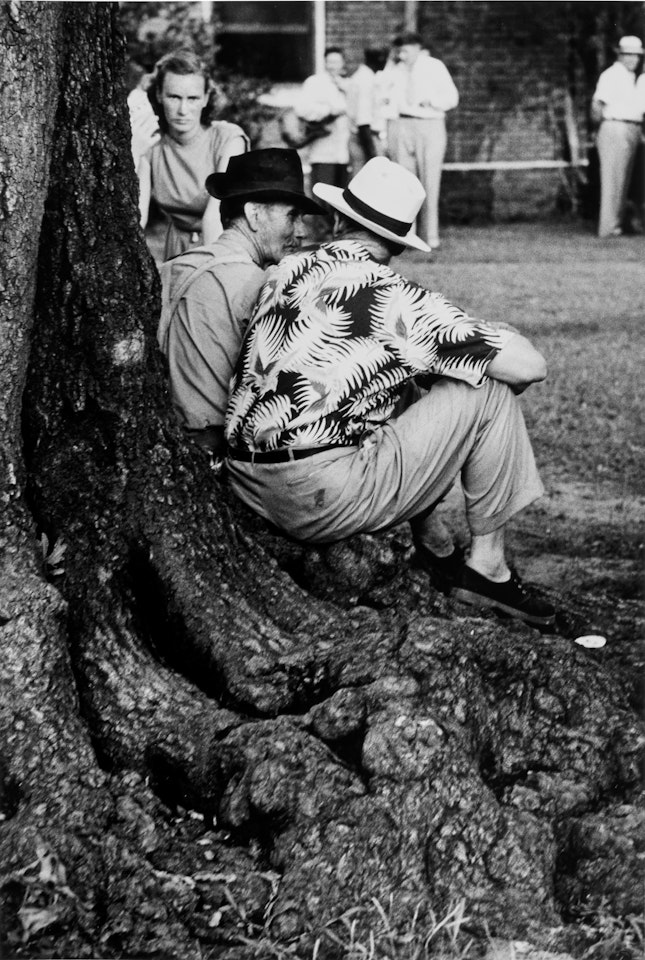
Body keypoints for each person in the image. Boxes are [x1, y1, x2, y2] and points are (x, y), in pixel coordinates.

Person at [225, 158, 555, 628]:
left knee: (398, 380)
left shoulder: (285, 270)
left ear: (338, 219)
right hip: (316, 497)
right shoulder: (396, 296)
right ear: (398, 244)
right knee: (487, 390)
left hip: (245, 482)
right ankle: (489, 569)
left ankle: (436, 543)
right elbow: (530, 366)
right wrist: (485, 338)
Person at [157, 149, 323, 457]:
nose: (302, 232)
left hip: (157, 442)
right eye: (292, 216)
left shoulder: (169, 268)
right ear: (254, 214)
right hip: (218, 452)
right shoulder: (263, 284)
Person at [136, 49, 249, 261]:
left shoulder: (228, 139)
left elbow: (215, 215)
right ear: (159, 94)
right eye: (174, 97)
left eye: (193, 98)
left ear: (206, 98)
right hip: (176, 249)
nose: (183, 109)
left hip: (223, 248)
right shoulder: (152, 143)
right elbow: (137, 218)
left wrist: (210, 271)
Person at [382, 32, 458, 250]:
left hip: (429, 124)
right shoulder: (394, 70)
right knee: (404, 183)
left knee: (429, 181)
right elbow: (383, 95)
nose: (402, 55)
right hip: (400, 124)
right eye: (399, 50)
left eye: (405, 50)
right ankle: (407, 235)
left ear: (417, 47)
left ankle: (430, 236)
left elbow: (452, 98)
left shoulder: (434, 67)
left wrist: (431, 102)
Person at [591, 35, 645, 238]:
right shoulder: (612, 75)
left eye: (637, 56)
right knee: (613, 179)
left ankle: (617, 224)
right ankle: (607, 228)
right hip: (615, 126)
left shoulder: (633, 79)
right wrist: (600, 128)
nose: (634, 60)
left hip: (632, 128)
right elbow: (597, 105)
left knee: (623, 180)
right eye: (629, 55)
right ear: (620, 55)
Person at [296, 47, 350, 190]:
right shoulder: (314, 82)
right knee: (323, 197)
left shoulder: (348, 84)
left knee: (342, 198)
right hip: (323, 150)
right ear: (325, 63)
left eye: (337, 62)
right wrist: (329, 111)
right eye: (329, 62)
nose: (333, 66)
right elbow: (302, 109)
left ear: (343, 63)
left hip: (344, 152)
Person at [346, 48, 389, 175]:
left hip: (365, 136)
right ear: (379, 59)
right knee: (364, 180)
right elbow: (363, 121)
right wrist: (372, 154)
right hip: (365, 138)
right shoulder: (365, 80)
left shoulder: (366, 77)